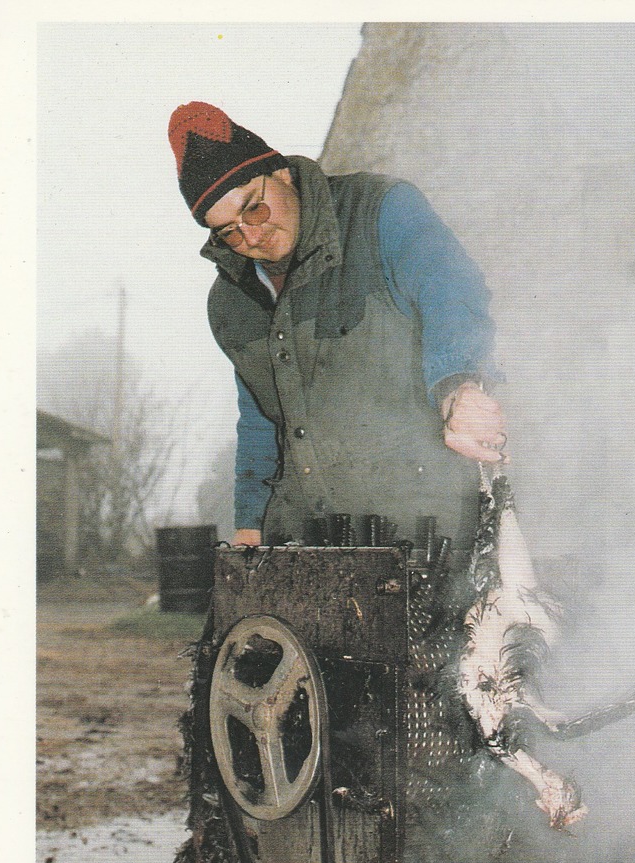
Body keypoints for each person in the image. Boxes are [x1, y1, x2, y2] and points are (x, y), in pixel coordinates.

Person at [168, 101, 508, 561]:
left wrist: (459, 389)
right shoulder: (230, 303)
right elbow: (260, 418)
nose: (250, 238)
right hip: (307, 541)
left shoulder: (381, 212)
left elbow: (451, 290)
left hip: (432, 536)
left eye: (254, 210)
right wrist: (249, 523)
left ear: (283, 174)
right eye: (227, 232)